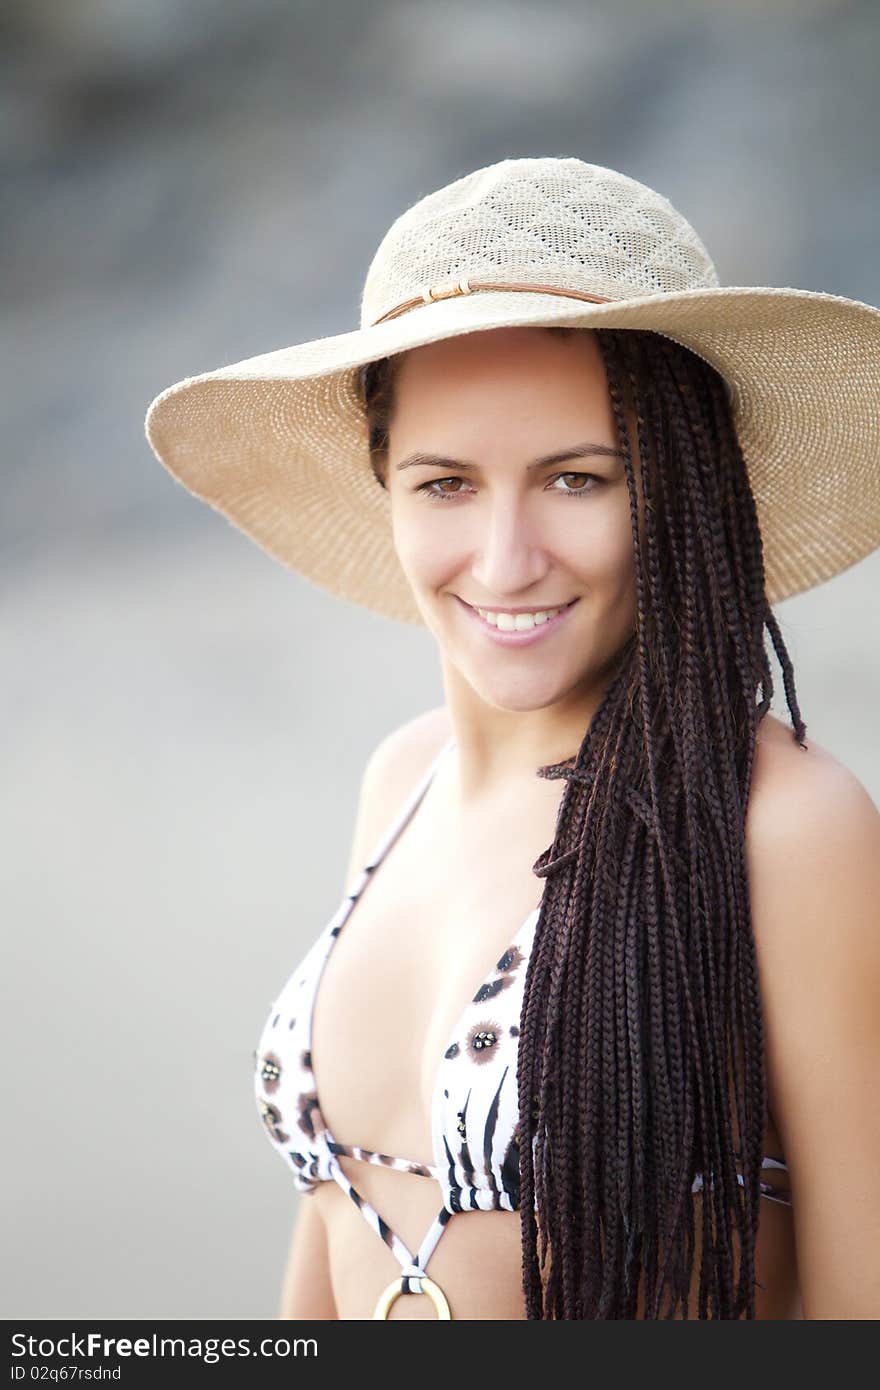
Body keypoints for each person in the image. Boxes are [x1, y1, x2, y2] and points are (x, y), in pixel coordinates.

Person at [145, 157, 880, 1320]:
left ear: (684, 492)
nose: (503, 560)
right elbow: (322, 1256)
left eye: (577, 479)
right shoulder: (400, 780)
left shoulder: (780, 825)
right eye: (445, 485)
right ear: (381, 480)